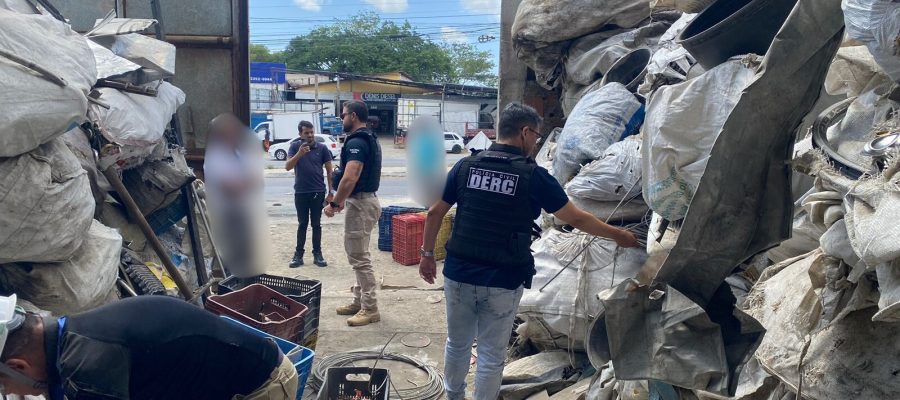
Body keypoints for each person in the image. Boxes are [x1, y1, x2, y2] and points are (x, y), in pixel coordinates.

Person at [418, 103, 639, 400]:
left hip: (459, 274)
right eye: (536, 135)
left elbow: (434, 213)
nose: (536, 142)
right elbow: (575, 218)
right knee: (490, 354)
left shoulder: (465, 167)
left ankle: (453, 396)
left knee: (457, 344)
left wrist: (427, 255)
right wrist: (619, 235)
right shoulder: (534, 177)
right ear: (524, 132)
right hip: (503, 280)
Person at [0, 295, 298, 399]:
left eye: (4, 385)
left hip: (262, 386)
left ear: (17, 367)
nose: (10, 392)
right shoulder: (69, 337)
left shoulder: (89, 365)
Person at [324, 100, 383, 327]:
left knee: (359, 258)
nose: (342, 119)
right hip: (363, 202)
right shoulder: (368, 138)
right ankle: (359, 301)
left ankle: (370, 308)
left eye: (344, 115)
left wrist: (334, 204)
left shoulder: (358, 141)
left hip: (361, 204)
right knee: (359, 255)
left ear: (355, 116)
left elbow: (351, 177)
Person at [204, 114, 267, 277]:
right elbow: (232, 188)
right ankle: (230, 289)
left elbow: (258, 181)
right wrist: (247, 182)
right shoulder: (215, 156)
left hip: (242, 211)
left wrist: (246, 183)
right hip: (226, 214)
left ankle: (244, 285)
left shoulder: (238, 153)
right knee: (229, 256)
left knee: (246, 254)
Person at [285, 120, 335, 268]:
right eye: (306, 133)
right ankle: (298, 256)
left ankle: (317, 255)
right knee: (302, 224)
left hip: (318, 192)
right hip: (301, 192)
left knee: (316, 224)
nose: (310, 135)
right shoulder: (294, 147)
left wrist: (331, 192)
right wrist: (299, 154)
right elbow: (288, 166)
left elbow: (329, 171)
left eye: (311, 132)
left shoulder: (322, 148)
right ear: (300, 134)